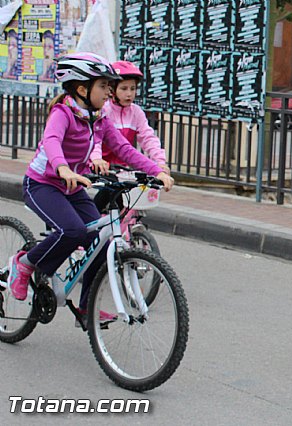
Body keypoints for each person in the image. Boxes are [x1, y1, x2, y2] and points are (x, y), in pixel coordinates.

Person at [5, 52, 174, 325]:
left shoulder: (99, 118)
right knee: (72, 231)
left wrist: (157, 170)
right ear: (83, 89)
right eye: (104, 86)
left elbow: (123, 148)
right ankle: (24, 264)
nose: (110, 92)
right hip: (42, 184)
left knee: (102, 243)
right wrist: (62, 168)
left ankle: (86, 308)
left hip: (73, 187)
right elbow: (51, 140)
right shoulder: (63, 113)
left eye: (110, 86)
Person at [90, 60, 169, 212]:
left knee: (126, 203)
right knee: (109, 196)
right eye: (124, 88)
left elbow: (148, 138)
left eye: (133, 89)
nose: (129, 94)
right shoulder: (104, 110)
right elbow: (96, 139)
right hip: (101, 167)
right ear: (112, 90)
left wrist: (159, 162)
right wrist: (96, 159)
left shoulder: (136, 112)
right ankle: (91, 220)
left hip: (122, 168)